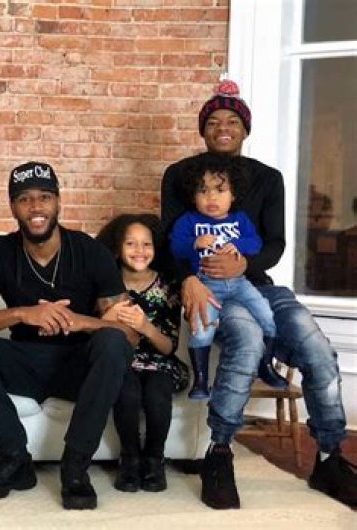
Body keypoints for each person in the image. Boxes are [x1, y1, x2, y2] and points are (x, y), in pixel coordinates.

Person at [161, 79, 357, 509]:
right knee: (247, 339)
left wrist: (244, 264)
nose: (223, 128)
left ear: (245, 129)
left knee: (318, 351)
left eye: (232, 121)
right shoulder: (180, 176)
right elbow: (169, 243)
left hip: (257, 285)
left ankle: (329, 458)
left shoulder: (268, 179)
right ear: (202, 129)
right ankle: (219, 455)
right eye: (213, 121)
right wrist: (187, 280)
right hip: (211, 291)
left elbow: (275, 244)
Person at [0, 161, 138, 511]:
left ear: (58, 202)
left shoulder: (89, 251)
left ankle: (76, 467)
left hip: (77, 367)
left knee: (113, 342)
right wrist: (24, 313)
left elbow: (130, 334)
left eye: (44, 197)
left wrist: (80, 321)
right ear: (13, 207)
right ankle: (14, 458)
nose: (35, 207)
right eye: (24, 199)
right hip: (24, 360)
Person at [169, 152, 287, 399]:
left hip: (239, 283)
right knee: (202, 328)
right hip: (207, 285)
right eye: (203, 191)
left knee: (267, 315)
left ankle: (265, 366)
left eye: (220, 190)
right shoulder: (188, 221)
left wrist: (238, 245)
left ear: (233, 195)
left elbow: (256, 243)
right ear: (193, 196)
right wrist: (194, 243)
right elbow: (174, 247)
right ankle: (201, 381)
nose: (211, 197)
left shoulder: (240, 220)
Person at [96, 213, 188, 493]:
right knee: (127, 391)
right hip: (122, 361)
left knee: (156, 392)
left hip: (161, 362)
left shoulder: (168, 286)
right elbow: (94, 332)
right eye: (131, 244)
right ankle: (130, 459)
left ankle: (154, 459)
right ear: (117, 247)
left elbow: (169, 346)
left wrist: (145, 327)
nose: (140, 251)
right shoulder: (106, 282)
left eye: (146, 244)